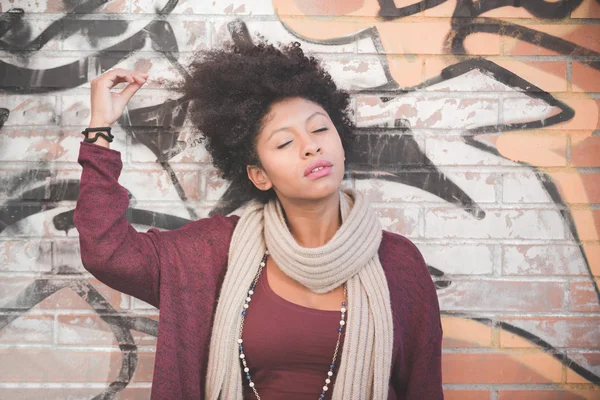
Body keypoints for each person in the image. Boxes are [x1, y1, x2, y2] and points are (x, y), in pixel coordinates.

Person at [73, 40, 443, 400]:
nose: (311, 146)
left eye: (319, 129)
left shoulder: (398, 262)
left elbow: (424, 389)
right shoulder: (211, 254)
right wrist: (100, 130)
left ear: (341, 142)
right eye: (284, 143)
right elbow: (107, 252)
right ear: (259, 175)